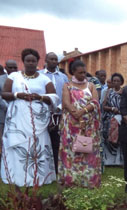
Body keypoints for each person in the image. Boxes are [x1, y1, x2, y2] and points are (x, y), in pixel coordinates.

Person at [1, 48, 58, 187]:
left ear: (38, 62)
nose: (31, 63)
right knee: (18, 145)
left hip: (38, 120)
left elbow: (54, 97)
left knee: (38, 146)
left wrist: (40, 97)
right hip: (17, 118)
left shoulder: (44, 79)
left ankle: (40, 177)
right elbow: (4, 94)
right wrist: (17, 95)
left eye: (33, 61)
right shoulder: (14, 76)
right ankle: (16, 177)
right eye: (28, 60)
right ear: (23, 61)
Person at [58, 60, 101, 188]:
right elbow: (66, 102)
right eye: (80, 73)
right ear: (73, 72)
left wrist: (82, 111)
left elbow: (95, 102)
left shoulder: (91, 85)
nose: (83, 75)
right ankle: (71, 181)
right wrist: (75, 113)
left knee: (87, 150)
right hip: (71, 124)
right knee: (72, 151)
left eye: (84, 72)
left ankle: (89, 181)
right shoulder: (67, 85)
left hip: (88, 125)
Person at [42, 52, 69, 174]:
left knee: (57, 142)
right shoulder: (40, 75)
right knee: (43, 141)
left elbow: (67, 94)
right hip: (42, 112)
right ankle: (44, 169)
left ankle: (57, 170)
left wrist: (59, 108)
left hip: (59, 113)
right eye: (51, 59)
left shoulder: (63, 77)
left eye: (55, 59)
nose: (54, 61)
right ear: (46, 60)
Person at [101, 72, 124, 166]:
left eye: (118, 81)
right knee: (108, 138)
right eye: (114, 81)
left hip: (121, 118)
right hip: (109, 117)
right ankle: (109, 161)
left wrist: (119, 111)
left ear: (121, 82)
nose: (116, 82)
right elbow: (104, 106)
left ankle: (120, 160)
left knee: (120, 139)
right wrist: (112, 109)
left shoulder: (124, 92)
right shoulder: (108, 92)